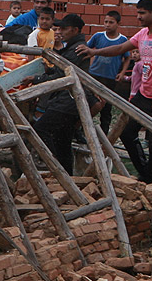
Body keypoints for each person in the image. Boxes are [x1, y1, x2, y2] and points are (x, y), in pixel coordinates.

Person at [78, 0, 152, 185]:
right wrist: (95, 52)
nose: (138, 17)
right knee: (127, 133)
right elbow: (119, 48)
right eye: (138, 13)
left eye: (142, 13)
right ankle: (146, 173)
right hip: (144, 95)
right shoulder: (142, 34)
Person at [31, 14, 100, 173]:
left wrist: (37, 79)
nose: (60, 31)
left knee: (41, 129)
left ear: (75, 30)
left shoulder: (77, 49)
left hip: (67, 101)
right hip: (69, 100)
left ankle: (55, 164)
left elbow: (63, 75)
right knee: (62, 140)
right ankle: (67, 176)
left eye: (64, 28)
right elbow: (59, 69)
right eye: (59, 28)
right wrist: (48, 70)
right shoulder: (71, 47)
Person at [85, 10, 129, 132]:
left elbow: (127, 57)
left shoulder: (122, 40)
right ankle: (84, 129)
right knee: (89, 103)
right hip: (94, 75)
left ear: (118, 24)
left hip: (110, 77)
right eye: (105, 22)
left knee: (106, 107)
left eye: (111, 22)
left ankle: (104, 133)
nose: (107, 25)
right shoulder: (98, 36)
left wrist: (122, 72)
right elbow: (87, 50)